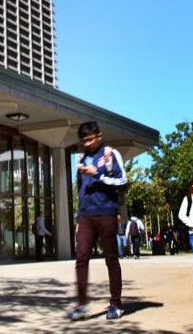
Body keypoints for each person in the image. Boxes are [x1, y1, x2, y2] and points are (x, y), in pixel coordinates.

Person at [66, 121, 127, 321]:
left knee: (111, 259)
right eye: (85, 141)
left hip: (106, 213)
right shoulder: (82, 159)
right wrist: (78, 217)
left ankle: (116, 304)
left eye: (91, 139)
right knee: (81, 257)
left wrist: (98, 174)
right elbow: (80, 189)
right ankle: (81, 304)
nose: (88, 143)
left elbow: (122, 181)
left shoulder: (110, 155)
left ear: (99, 136)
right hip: (86, 216)